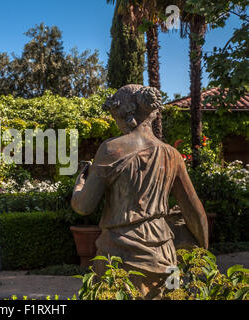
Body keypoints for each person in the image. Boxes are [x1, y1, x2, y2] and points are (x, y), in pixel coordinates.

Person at [71, 84, 209, 299]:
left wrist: (80, 183)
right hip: (164, 254)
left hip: (117, 256)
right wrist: (202, 255)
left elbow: (83, 207)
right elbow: (196, 212)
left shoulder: (110, 149)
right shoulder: (172, 155)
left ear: (127, 112)